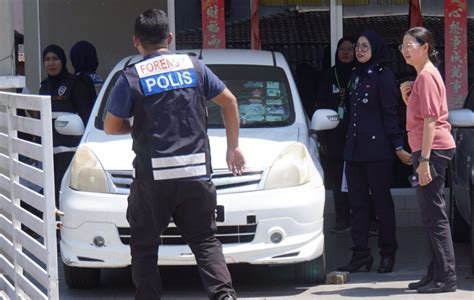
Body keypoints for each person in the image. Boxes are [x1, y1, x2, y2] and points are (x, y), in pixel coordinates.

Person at [103, 9, 244, 300]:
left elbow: (110, 126)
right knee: (206, 242)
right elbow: (229, 101)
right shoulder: (195, 67)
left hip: (152, 180)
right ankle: (224, 297)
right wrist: (233, 147)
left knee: (144, 246)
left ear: (136, 42)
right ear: (169, 37)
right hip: (195, 175)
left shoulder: (131, 77)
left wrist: (138, 127)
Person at [337, 31, 412, 273]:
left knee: (381, 203)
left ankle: (387, 253)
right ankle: (360, 254)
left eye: (364, 46)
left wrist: (398, 145)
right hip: (355, 150)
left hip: (378, 150)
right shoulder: (355, 75)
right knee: (357, 204)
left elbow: (391, 114)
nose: (359, 50)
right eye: (357, 46)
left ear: (376, 48)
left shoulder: (384, 76)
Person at [400, 27, 457, 294]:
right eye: (402, 45)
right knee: (430, 215)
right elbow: (422, 116)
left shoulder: (427, 76)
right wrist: (407, 99)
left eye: (410, 44)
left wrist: (423, 160)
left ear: (425, 47)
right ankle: (435, 272)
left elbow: (432, 121)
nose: (404, 49)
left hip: (431, 152)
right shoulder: (422, 76)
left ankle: (446, 277)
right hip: (427, 150)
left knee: (435, 216)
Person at [40, 44, 95, 206]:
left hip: (70, 151)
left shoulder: (75, 83)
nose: (51, 63)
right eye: (47, 59)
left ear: (63, 61)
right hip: (49, 151)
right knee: (50, 192)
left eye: (55, 59)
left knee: (63, 193)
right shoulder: (44, 86)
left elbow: (86, 116)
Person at [315, 37, 355, 233]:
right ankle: (342, 220)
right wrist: (322, 138)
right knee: (338, 181)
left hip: (358, 136)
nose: (346, 52)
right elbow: (320, 105)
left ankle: (367, 221)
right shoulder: (330, 75)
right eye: (342, 49)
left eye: (350, 49)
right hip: (334, 138)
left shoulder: (360, 74)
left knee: (360, 180)